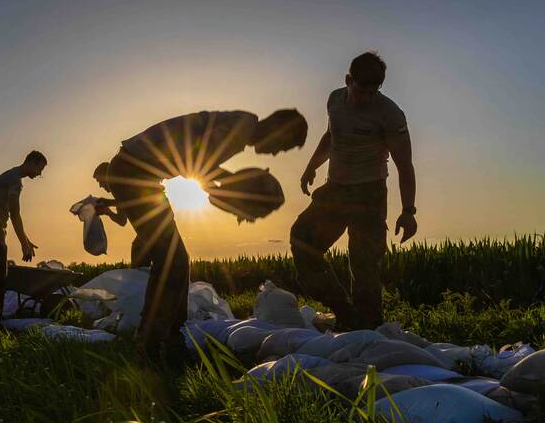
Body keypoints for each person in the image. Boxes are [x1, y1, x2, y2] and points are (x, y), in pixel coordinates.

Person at [104, 108, 307, 356]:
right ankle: (152, 342)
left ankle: (170, 336)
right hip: (132, 174)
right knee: (172, 260)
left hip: (140, 176)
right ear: (278, 129)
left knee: (176, 260)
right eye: (283, 146)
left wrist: (230, 190)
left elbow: (199, 169)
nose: (276, 153)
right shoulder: (238, 129)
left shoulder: (238, 128)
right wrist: (237, 193)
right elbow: (197, 163)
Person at [291, 52, 417, 330]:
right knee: (302, 239)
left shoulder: (390, 114)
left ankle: (368, 329)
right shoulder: (335, 100)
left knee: (364, 266)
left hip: (369, 195)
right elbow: (331, 135)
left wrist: (408, 211)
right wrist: (311, 166)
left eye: (374, 92)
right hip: (335, 190)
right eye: (361, 90)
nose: (367, 97)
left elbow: (404, 165)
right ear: (348, 80)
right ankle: (343, 312)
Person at [0, 151, 47, 322]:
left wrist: (26, 239)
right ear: (32, 162)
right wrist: (23, 243)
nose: (40, 174)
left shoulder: (11, 176)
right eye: (40, 169)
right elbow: (15, 214)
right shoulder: (14, 181)